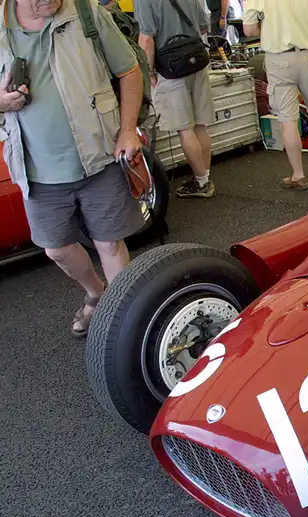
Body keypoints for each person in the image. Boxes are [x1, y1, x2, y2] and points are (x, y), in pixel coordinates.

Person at [0, 0, 145, 336]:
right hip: (36, 168)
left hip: (99, 153)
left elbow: (129, 70)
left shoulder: (87, 12)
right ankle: (97, 292)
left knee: (109, 244)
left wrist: (127, 129)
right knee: (57, 248)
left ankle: (124, 323)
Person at [242, 0, 308, 189]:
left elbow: (249, 30)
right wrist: (305, 30)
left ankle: (298, 175)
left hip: (279, 59)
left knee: (288, 119)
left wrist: (273, 31)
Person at [137, 0, 217, 199]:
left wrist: (149, 73)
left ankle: (202, 182)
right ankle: (203, 177)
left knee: (185, 128)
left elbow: (146, 39)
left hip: (171, 68)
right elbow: (203, 25)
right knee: (200, 125)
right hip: (197, 60)